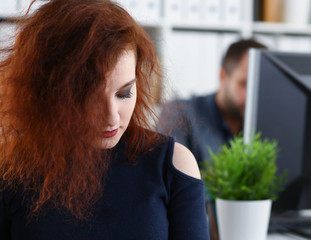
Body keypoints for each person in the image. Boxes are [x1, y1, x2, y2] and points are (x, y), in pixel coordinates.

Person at [0, 0, 209, 239]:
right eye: (90, 98)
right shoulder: (10, 171)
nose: (111, 116)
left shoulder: (173, 165)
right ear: (49, 92)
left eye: (124, 93)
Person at [160, 39, 267, 165]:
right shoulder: (179, 114)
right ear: (223, 76)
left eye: (263, 85)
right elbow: (170, 176)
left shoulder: (268, 122)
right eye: (245, 84)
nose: (253, 95)